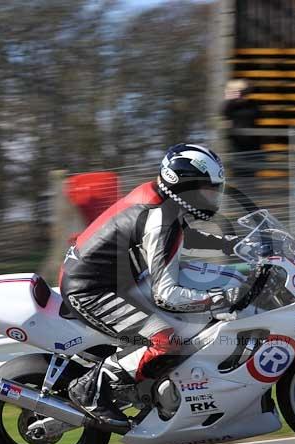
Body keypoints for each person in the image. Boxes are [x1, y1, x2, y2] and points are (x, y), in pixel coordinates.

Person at [59, 143, 242, 423]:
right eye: (206, 189)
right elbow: (166, 295)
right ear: (182, 187)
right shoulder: (160, 218)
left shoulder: (164, 203)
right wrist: (221, 298)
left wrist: (232, 245)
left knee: (189, 320)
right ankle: (88, 390)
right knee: (166, 340)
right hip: (90, 289)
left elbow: (177, 238)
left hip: (116, 278)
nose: (211, 197)